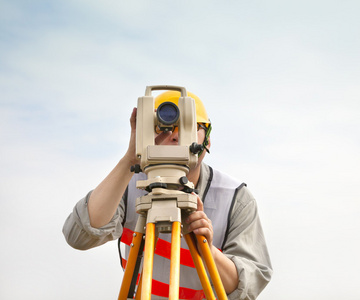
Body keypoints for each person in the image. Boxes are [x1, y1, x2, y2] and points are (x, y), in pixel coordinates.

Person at [63, 90, 272, 299]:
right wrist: (130, 160)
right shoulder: (128, 184)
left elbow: (248, 287)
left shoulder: (235, 198)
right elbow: (79, 237)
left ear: (207, 140)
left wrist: (208, 251)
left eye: (189, 126)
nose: (176, 134)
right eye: (164, 126)